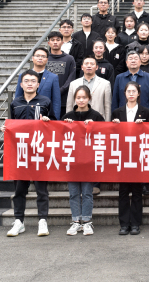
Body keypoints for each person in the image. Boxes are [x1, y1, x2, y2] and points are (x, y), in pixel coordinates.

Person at [4, 70, 55, 237]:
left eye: (33, 81)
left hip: (40, 152)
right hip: (21, 153)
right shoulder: (15, 103)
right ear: (21, 84)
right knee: (19, 190)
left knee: (42, 190)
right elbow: (11, 124)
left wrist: (48, 122)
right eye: (26, 81)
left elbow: (55, 124)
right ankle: (19, 221)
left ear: (38, 84)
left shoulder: (45, 101)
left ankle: (42, 221)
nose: (30, 83)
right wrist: (6, 129)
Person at [61, 85, 104, 236]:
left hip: (88, 162)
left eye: (84, 97)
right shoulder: (68, 116)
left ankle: (86, 221)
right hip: (72, 161)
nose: (81, 100)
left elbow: (105, 135)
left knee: (86, 193)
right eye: (78, 98)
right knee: (73, 193)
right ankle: (75, 221)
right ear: (74, 99)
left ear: (89, 98)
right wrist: (65, 126)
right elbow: (59, 137)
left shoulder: (96, 116)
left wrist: (94, 126)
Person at [112, 81, 149, 236]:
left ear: (138, 94)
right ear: (125, 93)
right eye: (128, 91)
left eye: (133, 91)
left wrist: (143, 126)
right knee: (123, 192)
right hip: (123, 156)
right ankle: (124, 224)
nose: (131, 94)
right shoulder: (117, 112)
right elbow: (112, 135)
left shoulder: (145, 112)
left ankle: (135, 223)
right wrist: (115, 125)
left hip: (138, 155)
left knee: (137, 192)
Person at [15, 47, 61, 120]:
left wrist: (55, 120)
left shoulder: (53, 77)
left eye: (43, 56)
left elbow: (56, 101)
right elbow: (18, 97)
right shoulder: (23, 76)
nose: (40, 58)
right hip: (25, 116)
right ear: (32, 58)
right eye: (37, 56)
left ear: (47, 59)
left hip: (45, 118)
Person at [112, 50, 149, 122]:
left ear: (140, 62)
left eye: (136, 58)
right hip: (122, 118)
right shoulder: (119, 78)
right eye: (130, 59)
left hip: (143, 117)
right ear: (126, 62)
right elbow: (115, 100)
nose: (133, 61)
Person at [67, 55, 112, 122]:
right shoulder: (73, 84)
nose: (89, 66)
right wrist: (68, 120)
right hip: (77, 121)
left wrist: (107, 123)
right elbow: (69, 105)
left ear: (97, 67)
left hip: (98, 120)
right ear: (82, 67)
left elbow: (107, 107)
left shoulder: (105, 84)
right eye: (86, 64)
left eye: (92, 64)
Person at [45, 31, 76, 118]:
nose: (55, 42)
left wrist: (60, 90)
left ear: (62, 42)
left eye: (58, 40)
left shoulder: (69, 58)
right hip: (46, 98)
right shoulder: (44, 58)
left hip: (64, 99)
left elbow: (71, 77)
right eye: (52, 40)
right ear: (48, 43)